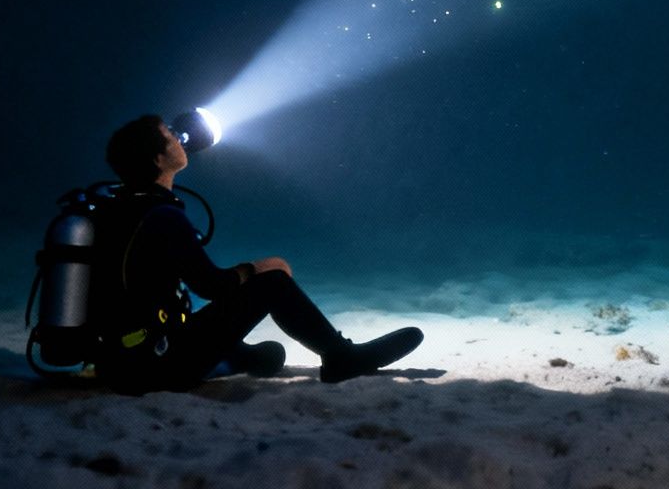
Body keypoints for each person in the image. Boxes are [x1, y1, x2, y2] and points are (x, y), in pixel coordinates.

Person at [87, 114, 422, 393]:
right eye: (169, 134)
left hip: (119, 362)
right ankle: (342, 358)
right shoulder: (162, 214)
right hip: (154, 365)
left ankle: (241, 357)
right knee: (274, 281)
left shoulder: (118, 208)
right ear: (158, 159)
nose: (179, 136)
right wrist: (258, 269)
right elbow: (210, 285)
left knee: (268, 356)